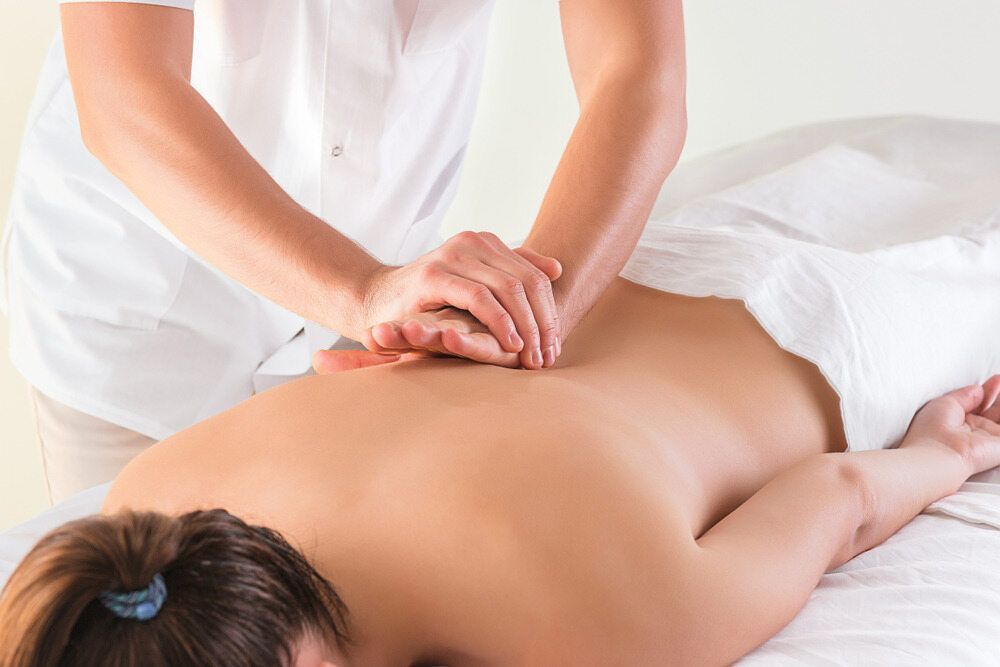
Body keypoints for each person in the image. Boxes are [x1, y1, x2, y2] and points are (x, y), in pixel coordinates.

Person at [2, 271, 998, 665]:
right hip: (595, 268)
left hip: (830, 332)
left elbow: (837, 496)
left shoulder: (595, 618)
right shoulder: (139, 507)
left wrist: (934, 454)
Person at [1, 0, 687, 501]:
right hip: (139, 304)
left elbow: (637, 76)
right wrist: (363, 291)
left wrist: (532, 313)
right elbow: (122, 96)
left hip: (377, 335)